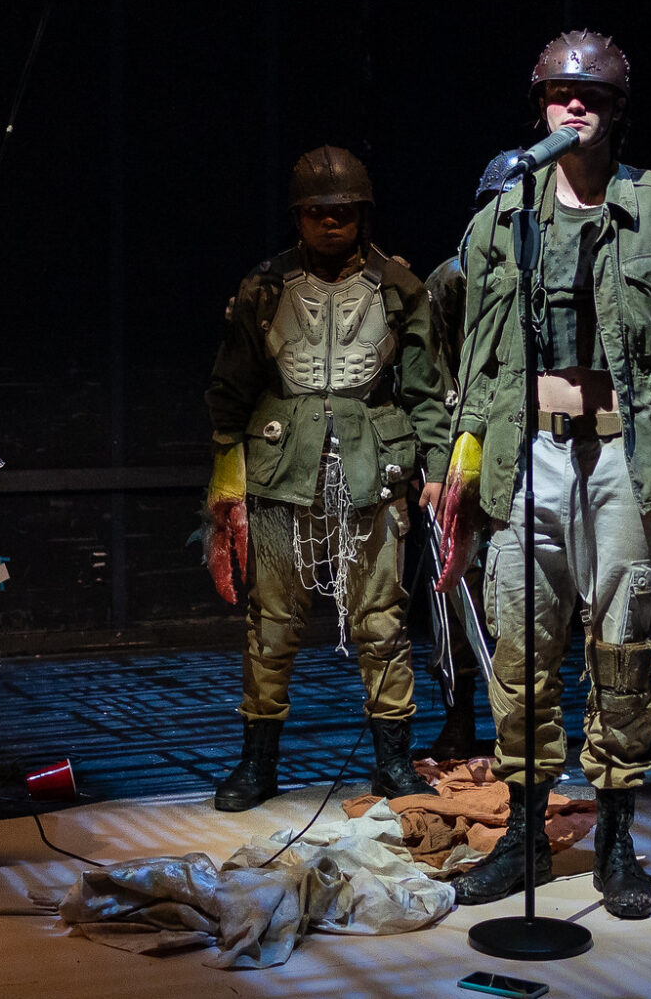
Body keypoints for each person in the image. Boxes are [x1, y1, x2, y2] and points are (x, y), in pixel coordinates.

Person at [436, 31, 651, 920]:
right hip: (531, 452)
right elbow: (479, 355)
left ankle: (614, 835)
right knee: (522, 644)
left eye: (592, 97)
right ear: (540, 105)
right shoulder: (503, 211)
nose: (576, 108)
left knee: (624, 643)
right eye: (561, 95)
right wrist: (462, 457)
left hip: (620, 452)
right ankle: (527, 830)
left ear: (615, 111)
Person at [203, 146, 454, 812]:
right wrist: (226, 476)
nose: (329, 221)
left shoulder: (400, 287)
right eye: (315, 211)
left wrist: (435, 466)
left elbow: (428, 388)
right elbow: (231, 388)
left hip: (374, 468)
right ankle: (257, 762)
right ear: (298, 217)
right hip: (282, 468)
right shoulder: (264, 286)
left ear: (362, 212)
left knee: (381, 620)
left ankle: (393, 762)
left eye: (341, 209)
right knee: (272, 621)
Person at [417, 149, 523, 760]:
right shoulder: (452, 279)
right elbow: (431, 378)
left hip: (532, 449)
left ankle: (525, 721)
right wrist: (437, 462)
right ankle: (459, 715)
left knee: (526, 592)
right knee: (451, 592)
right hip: (466, 449)